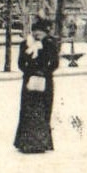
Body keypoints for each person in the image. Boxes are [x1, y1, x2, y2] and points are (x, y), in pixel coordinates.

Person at [13, 15, 59, 154]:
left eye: (41, 31)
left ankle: (41, 143)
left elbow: (54, 63)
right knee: (28, 111)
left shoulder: (50, 44)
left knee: (43, 110)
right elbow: (21, 63)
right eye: (35, 31)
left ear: (45, 32)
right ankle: (25, 142)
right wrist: (30, 72)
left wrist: (43, 72)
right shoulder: (25, 44)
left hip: (45, 82)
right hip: (29, 82)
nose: (38, 34)